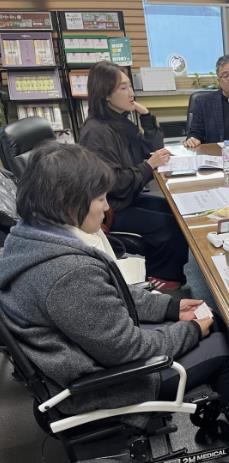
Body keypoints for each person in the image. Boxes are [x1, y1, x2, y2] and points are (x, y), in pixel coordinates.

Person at [0, 143, 229, 416]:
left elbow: (111, 295)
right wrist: (191, 331)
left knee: (212, 319)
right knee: (224, 345)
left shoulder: (28, 236)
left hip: (87, 355)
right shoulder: (69, 273)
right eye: (100, 199)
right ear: (68, 202)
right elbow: (129, 350)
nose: (107, 207)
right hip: (104, 385)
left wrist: (170, 307)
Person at [79, 60, 187, 291]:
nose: (131, 93)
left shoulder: (119, 121)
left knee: (177, 210)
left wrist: (146, 116)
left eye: (130, 86)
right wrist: (148, 165)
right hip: (110, 209)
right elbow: (114, 183)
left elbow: (152, 149)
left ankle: (172, 274)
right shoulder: (96, 131)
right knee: (169, 224)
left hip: (127, 198)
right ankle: (162, 276)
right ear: (106, 94)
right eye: (123, 88)